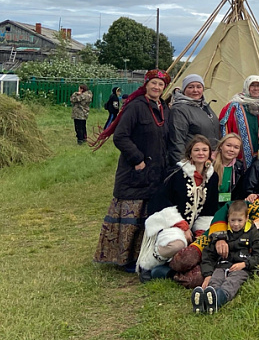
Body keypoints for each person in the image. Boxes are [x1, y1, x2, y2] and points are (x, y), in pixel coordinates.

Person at [92, 69, 170, 271]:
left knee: (147, 215)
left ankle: (141, 256)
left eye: (160, 85)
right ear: (146, 84)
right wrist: (137, 159)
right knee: (131, 217)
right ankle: (124, 258)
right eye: (153, 83)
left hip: (156, 171)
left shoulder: (162, 108)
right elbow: (120, 136)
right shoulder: (136, 106)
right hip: (135, 171)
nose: (157, 87)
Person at [137, 135, 220, 281]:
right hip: (172, 223)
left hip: (194, 225)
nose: (201, 153)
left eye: (204, 150)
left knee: (206, 246)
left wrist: (201, 232)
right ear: (190, 154)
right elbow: (160, 200)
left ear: (209, 153)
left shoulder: (212, 177)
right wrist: (182, 225)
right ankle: (148, 265)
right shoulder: (176, 173)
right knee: (177, 244)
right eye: (197, 150)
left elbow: (209, 208)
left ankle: (167, 270)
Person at [193, 200, 259, 314]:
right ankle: (205, 301)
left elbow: (258, 255)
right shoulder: (222, 233)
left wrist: (245, 264)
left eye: (240, 220)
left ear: (246, 218)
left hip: (241, 268)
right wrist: (207, 275)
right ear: (228, 218)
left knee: (231, 282)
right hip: (222, 265)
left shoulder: (252, 232)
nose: (236, 224)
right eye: (232, 220)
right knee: (215, 280)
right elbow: (208, 254)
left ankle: (217, 300)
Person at [219, 75, 259, 169]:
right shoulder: (235, 106)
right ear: (247, 87)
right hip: (240, 156)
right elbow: (225, 129)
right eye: (253, 85)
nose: (256, 89)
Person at [167, 74, 220, 166]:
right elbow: (177, 141)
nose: (195, 90)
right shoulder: (180, 109)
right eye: (190, 87)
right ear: (184, 90)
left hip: (207, 160)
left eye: (199, 87)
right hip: (192, 161)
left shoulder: (204, 106)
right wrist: (183, 165)